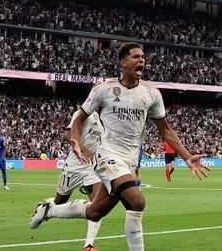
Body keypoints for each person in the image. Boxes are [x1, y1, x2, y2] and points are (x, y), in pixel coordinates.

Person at [29, 43, 208, 251]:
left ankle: (47, 211)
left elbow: (165, 130)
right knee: (137, 200)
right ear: (123, 62)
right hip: (106, 156)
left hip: (129, 162)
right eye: (135, 57)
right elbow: (79, 119)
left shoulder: (152, 94)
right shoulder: (104, 89)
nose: (141, 60)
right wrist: (76, 141)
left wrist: (187, 157)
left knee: (95, 212)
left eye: (143, 57)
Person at [52, 109, 105, 251]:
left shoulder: (101, 120)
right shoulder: (82, 113)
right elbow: (68, 135)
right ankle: (42, 210)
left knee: (97, 206)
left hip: (90, 169)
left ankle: (88, 245)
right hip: (74, 165)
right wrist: (83, 150)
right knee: (58, 202)